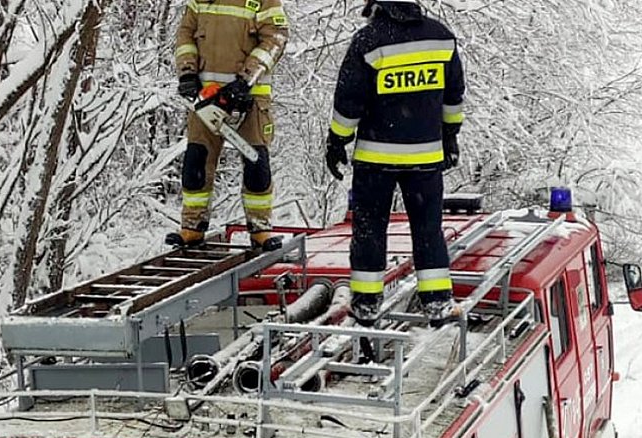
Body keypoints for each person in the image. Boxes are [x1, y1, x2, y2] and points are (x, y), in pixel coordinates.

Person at [325, 0, 466, 326]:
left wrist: (337, 142)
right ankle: (438, 303)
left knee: (370, 231)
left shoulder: (368, 41)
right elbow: (454, 94)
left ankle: (366, 305)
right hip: (426, 157)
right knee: (428, 230)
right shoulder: (441, 37)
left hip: (376, 158)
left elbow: (349, 101)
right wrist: (450, 136)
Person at [166, 0, 290, 251]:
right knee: (196, 161)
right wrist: (187, 72)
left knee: (256, 162)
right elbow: (185, 34)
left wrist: (246, 80)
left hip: (251, 96)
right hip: (204, 97)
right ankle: (192, 225)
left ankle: (260, 228)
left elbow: (275, 38)